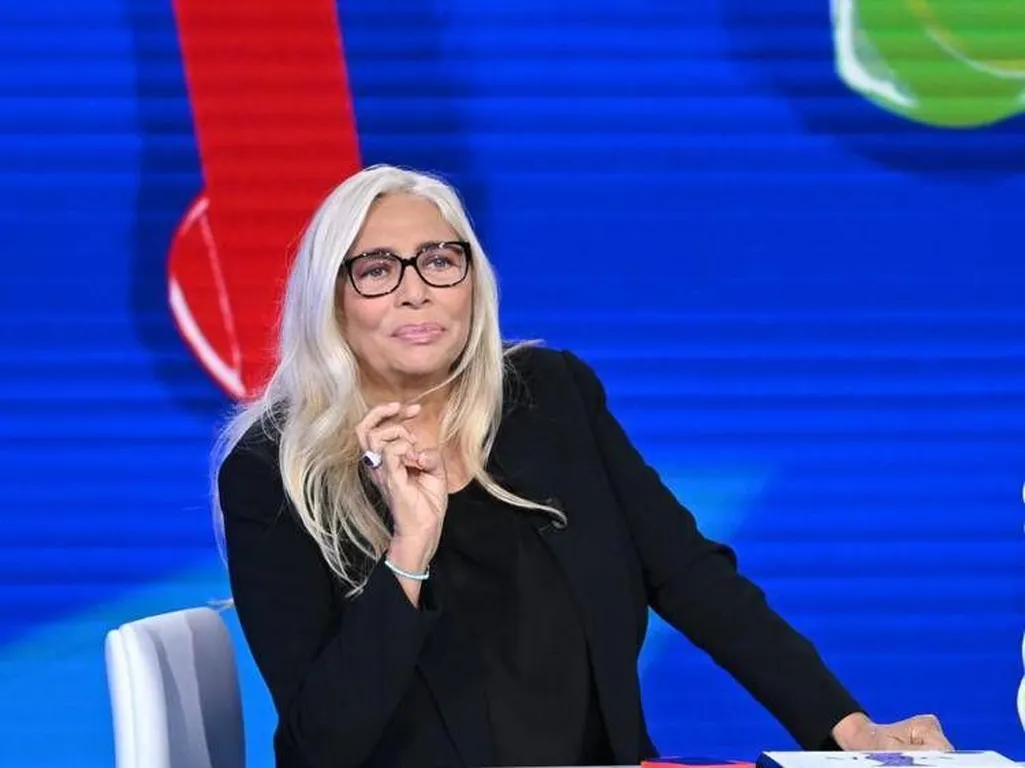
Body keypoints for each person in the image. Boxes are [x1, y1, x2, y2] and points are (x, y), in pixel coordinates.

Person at [214, 164, 953, 768]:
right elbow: (323, 744)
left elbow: (690, 577)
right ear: (333, 303)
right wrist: (408, 552)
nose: (417, 289)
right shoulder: (273, 470)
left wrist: (846, 728)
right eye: (376, 270)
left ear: (473, 281)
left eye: (440, 260)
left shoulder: (550, 397)